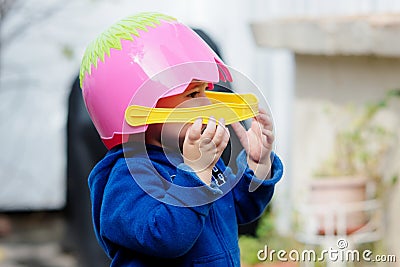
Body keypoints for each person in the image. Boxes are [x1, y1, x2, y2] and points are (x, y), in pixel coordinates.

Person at [80, 12, 283, 266]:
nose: (207, 102)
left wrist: (257, 164)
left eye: (205, 90)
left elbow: (240, 211)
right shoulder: (127, 178)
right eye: (192, 94)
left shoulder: (199, 159)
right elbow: (166, 237)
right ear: (139, 108)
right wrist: (197, 174)